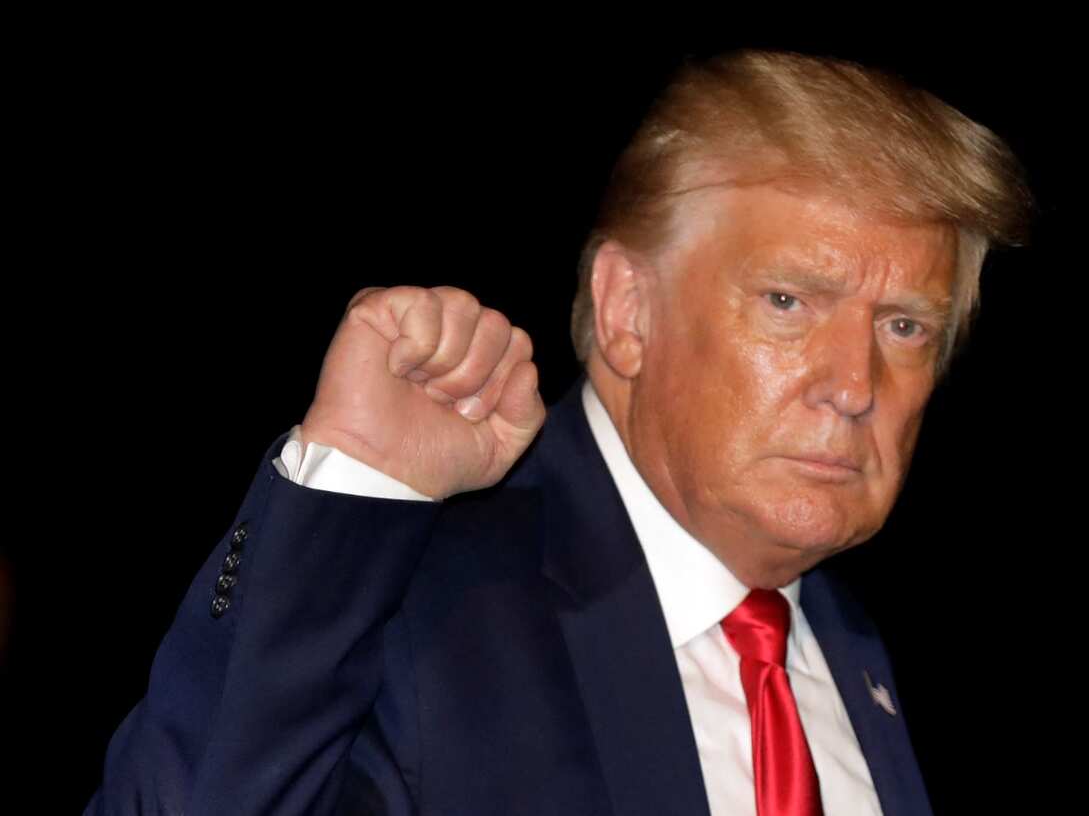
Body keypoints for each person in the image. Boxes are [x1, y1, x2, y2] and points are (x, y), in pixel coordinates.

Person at [87, 49, 1030, 815]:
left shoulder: (863, 651)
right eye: (788, 301)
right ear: (627, 311)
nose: (855, 386)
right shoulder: (417, 604)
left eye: (904, 325)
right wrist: (357, 484)